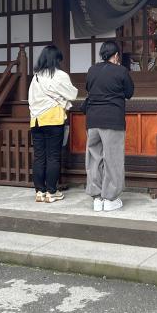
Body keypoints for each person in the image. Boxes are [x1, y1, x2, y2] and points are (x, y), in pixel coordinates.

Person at [84, 40, 134, 212]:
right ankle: (110, 198)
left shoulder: (92, 70)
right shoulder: (121, 71)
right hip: (112, 120)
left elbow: (88, 88)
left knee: (94, 158)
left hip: (92, 120)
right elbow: (129, 93)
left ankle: (97, 198)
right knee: (112, 159)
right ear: (116, 55)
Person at [28, 45, 79, 204]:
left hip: (36, 120)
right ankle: (51, 191)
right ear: (57, 59)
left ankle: (39, 192)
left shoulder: (35, 77)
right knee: (53, 157)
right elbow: (72, 94)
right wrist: (60, 101)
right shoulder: (60, 75)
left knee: (39, 157)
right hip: (53, 119)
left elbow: (31, 100)